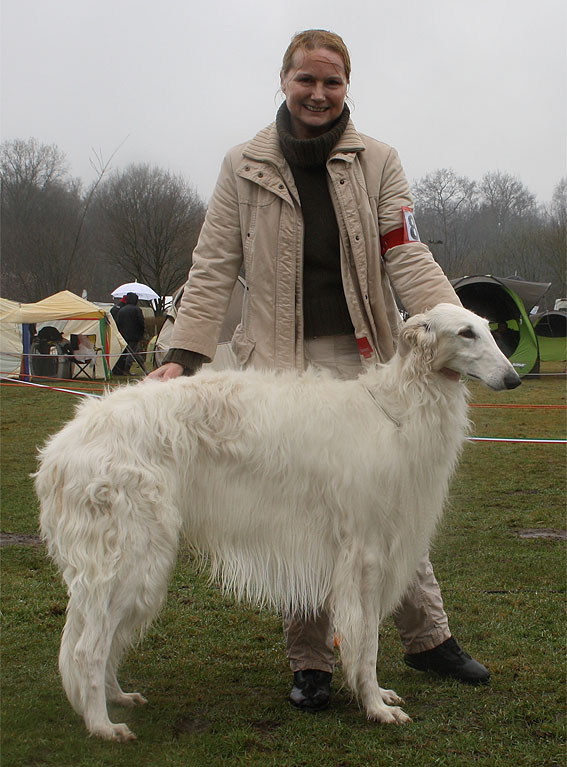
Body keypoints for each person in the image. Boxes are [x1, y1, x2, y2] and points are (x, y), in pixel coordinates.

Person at [148, 29, 490, 710]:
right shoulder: (242, 165)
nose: (318, 93)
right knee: (304, 513)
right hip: (280, 368)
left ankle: (427, 637)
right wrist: (181, 357)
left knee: (390, 503)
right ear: (284, 81)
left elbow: (406, 254)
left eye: (332, 81)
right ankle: (311, 663)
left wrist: (455, 331)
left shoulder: (378, 161)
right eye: (306, 79)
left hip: (366, 363)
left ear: (346, 87)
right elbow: (213, 266)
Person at [113, 292, 147, 376]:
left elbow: (118, 323)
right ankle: (127, 369)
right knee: (132, 353)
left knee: (132, 352)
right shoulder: (137, 309)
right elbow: (141, 322)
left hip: (124, 335)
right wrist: (142, 332)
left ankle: (143, 368)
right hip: (135, 335)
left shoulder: (122, 310)